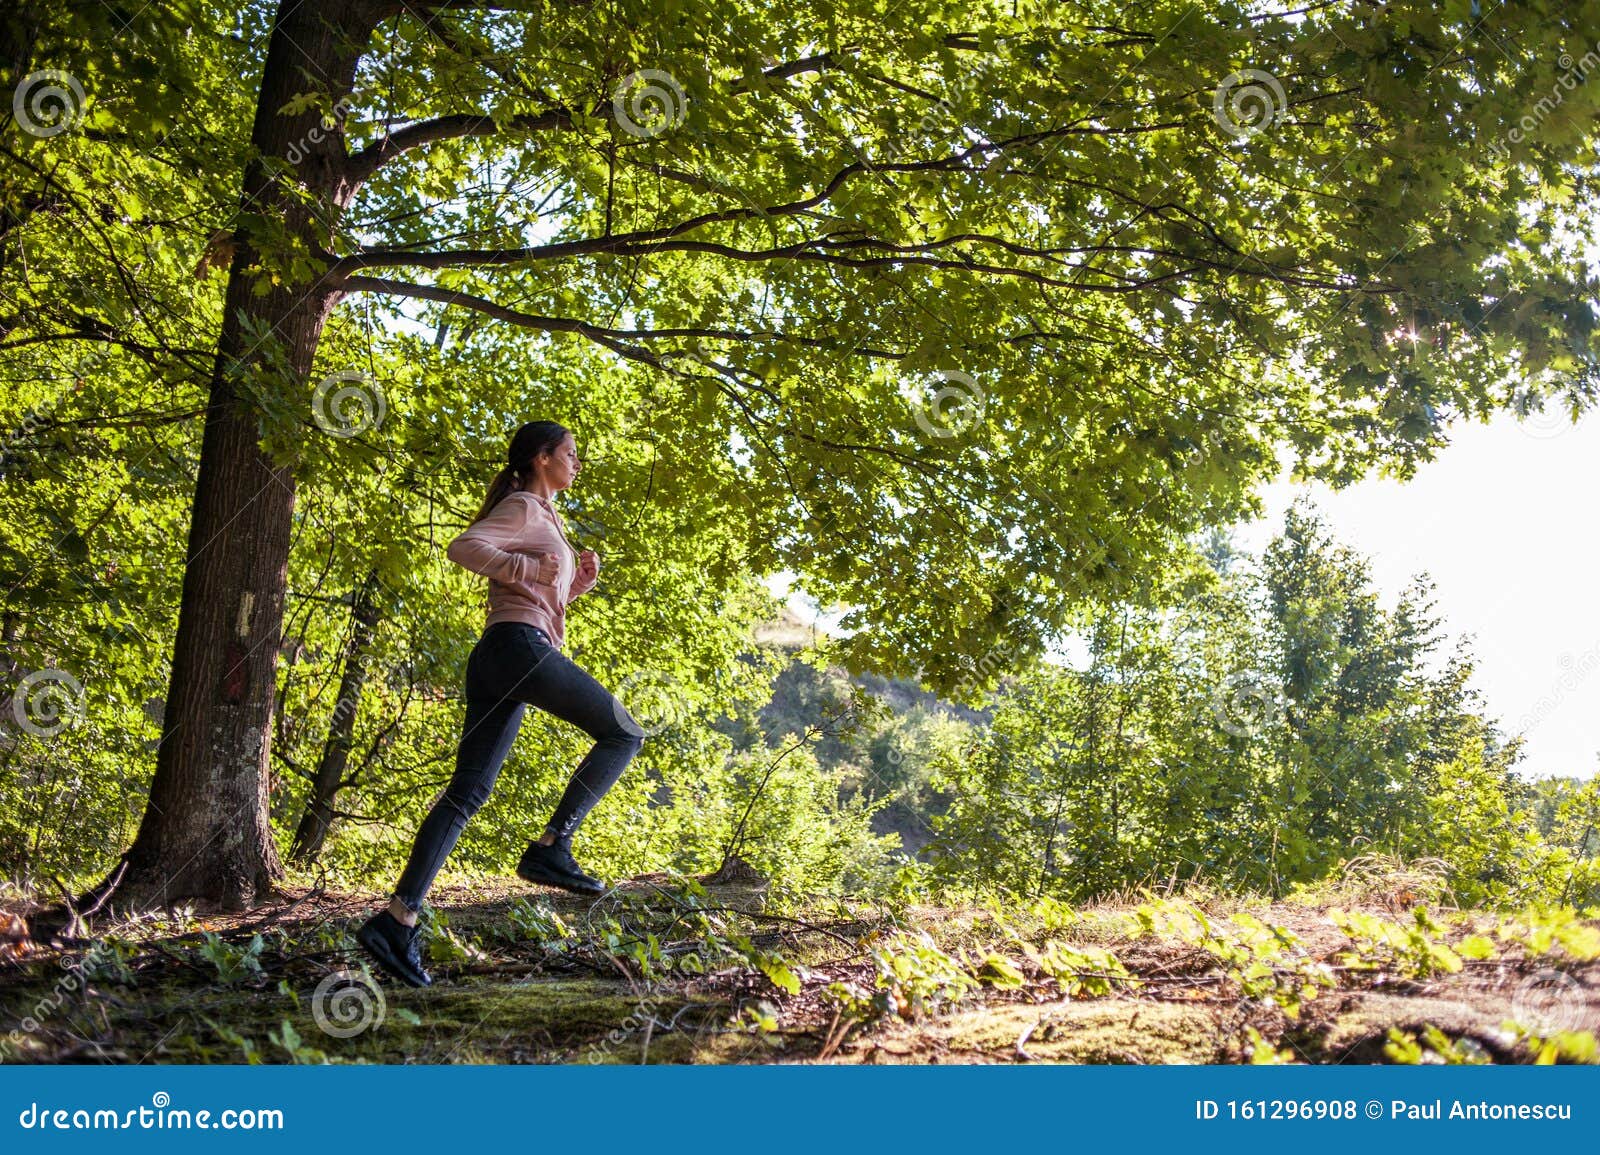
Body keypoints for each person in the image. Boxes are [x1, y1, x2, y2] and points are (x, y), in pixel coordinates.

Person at [357, 420, 646, 987]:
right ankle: (552, 845)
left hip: (502, 654)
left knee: (467, 792)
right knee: (625, 733)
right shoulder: (524, 508)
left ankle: (397, 920)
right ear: (543, 458)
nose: (577, 463)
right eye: (571, 453)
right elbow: (464, 546)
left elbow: (536, 591)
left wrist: (574, 584)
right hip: (517, 649)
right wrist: (529, 568)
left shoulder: (548, 518)